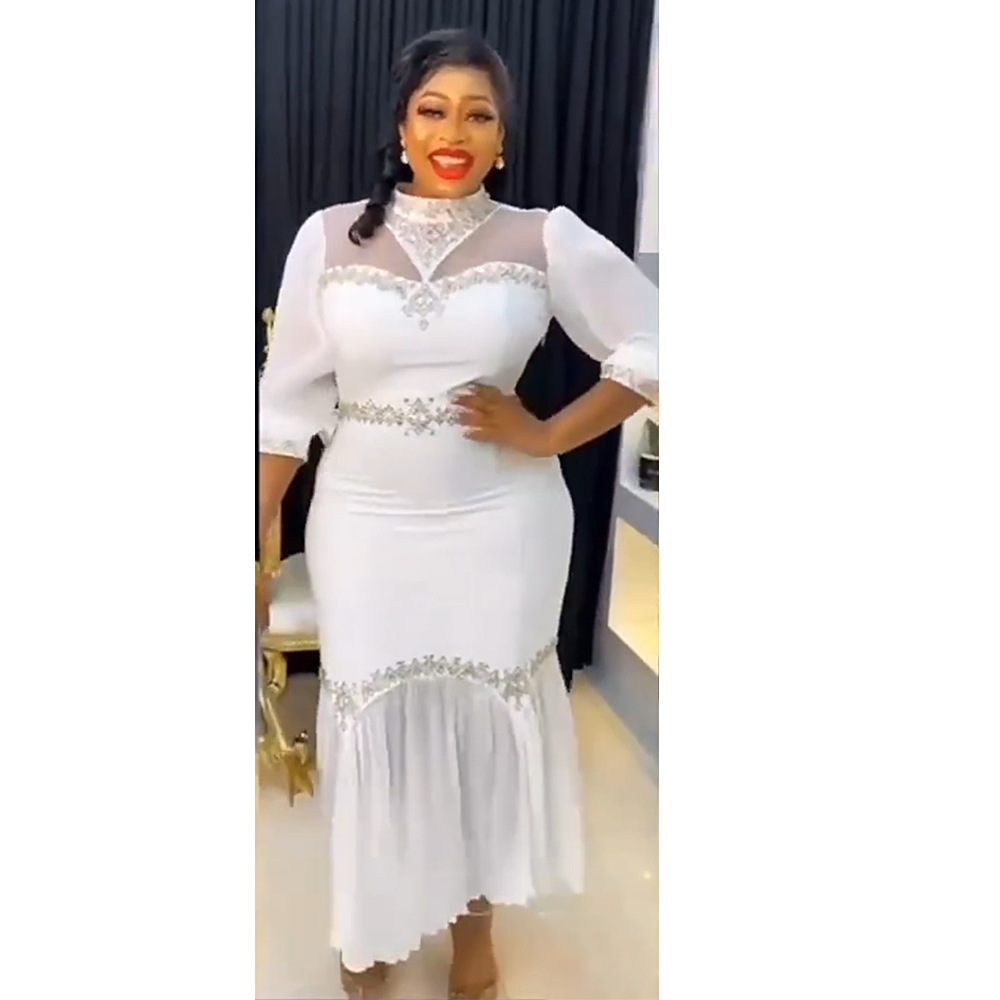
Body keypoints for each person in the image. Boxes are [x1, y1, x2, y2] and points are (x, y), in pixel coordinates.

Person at [256, 27, 658, 1000]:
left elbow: (656, 342)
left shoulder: (544, 236)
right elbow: (286, 401)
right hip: (364, 520)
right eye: (433, 110)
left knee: (485, 723)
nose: (454, 131)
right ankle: (373, 924)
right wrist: (256, 539)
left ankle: (474, 927)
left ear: (502, 140)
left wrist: (550, 433)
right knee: (371, 719)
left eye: (479, 115)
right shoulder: (328, 237)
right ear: (401, 126)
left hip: (501, 522)